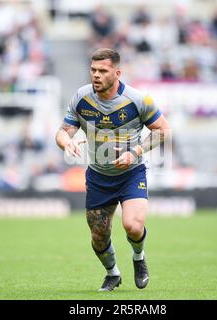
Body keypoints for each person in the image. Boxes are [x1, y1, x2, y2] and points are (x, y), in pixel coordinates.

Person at [55, 48, 170, 291]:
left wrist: (135, 152)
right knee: (99, 237)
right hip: (98, 177)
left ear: (117, 72)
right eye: (93, 70)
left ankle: (138, 258)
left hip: (131, 173)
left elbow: (163, 130)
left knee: (133, 226)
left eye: (102, 71)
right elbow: (62, 132)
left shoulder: (138, 100)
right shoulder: (81, 97)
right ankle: (113, 274)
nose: (96, 75)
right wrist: (68, 141)